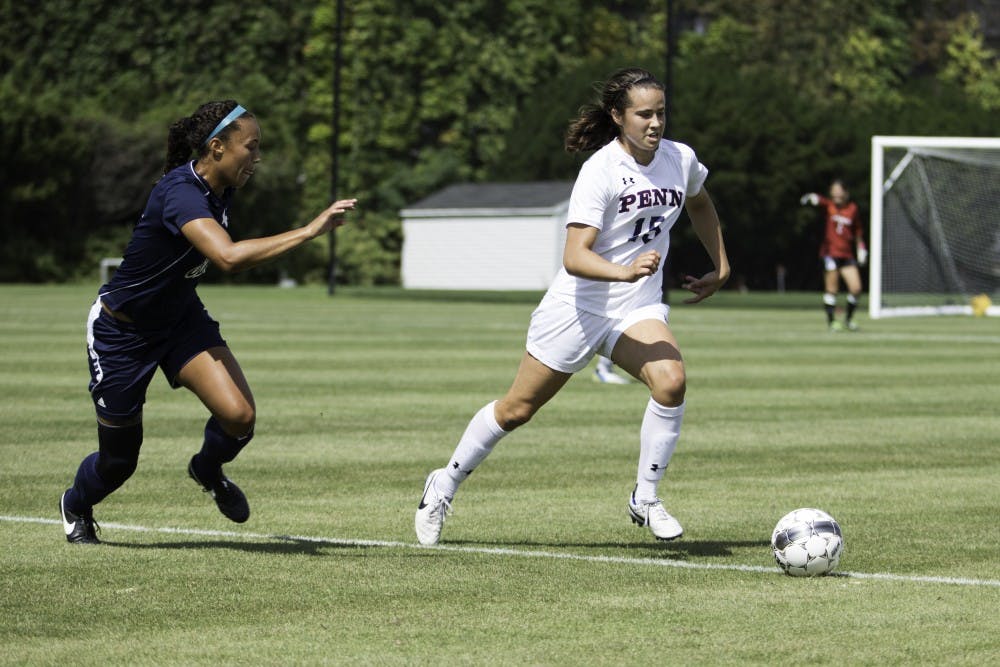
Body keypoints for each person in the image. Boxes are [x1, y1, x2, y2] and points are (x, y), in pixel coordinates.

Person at [415, 68, 730, 546]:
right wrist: (623, 270)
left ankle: (645, 497)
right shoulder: (600, 171)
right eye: (644, 114)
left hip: (636, 309)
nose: (655, 123)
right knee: (516, 410)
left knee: (672, 382)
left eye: (661, 113)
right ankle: (443, 484)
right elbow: (575, 256)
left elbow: (700, 204)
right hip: (578, 309)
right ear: (618, 116)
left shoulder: (679, 159)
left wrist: (721, 265)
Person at [59, 100, 357, 544]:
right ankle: (76, 503)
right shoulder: (180, 192)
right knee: (119, 462)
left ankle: (207, 468)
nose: (256, 158)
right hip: (122, 333)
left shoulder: (221, 187)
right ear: (216, 147)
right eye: (250, 148)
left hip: (180, 320)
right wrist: (309, 231)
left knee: (239, 416)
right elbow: (228, 257)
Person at [800, 180, 866, 331]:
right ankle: (832, 322)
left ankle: (848, 320)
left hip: (847, 254)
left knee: (856, 288)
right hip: (830, 253)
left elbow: (858, 232)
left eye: (839, 190)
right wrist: (812, 197)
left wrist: (861, 248)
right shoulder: (829, 207)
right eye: (833, 190)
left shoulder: (853, 209)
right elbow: (820, 201)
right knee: (832, 289)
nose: (836, 193)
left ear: (846, 192)